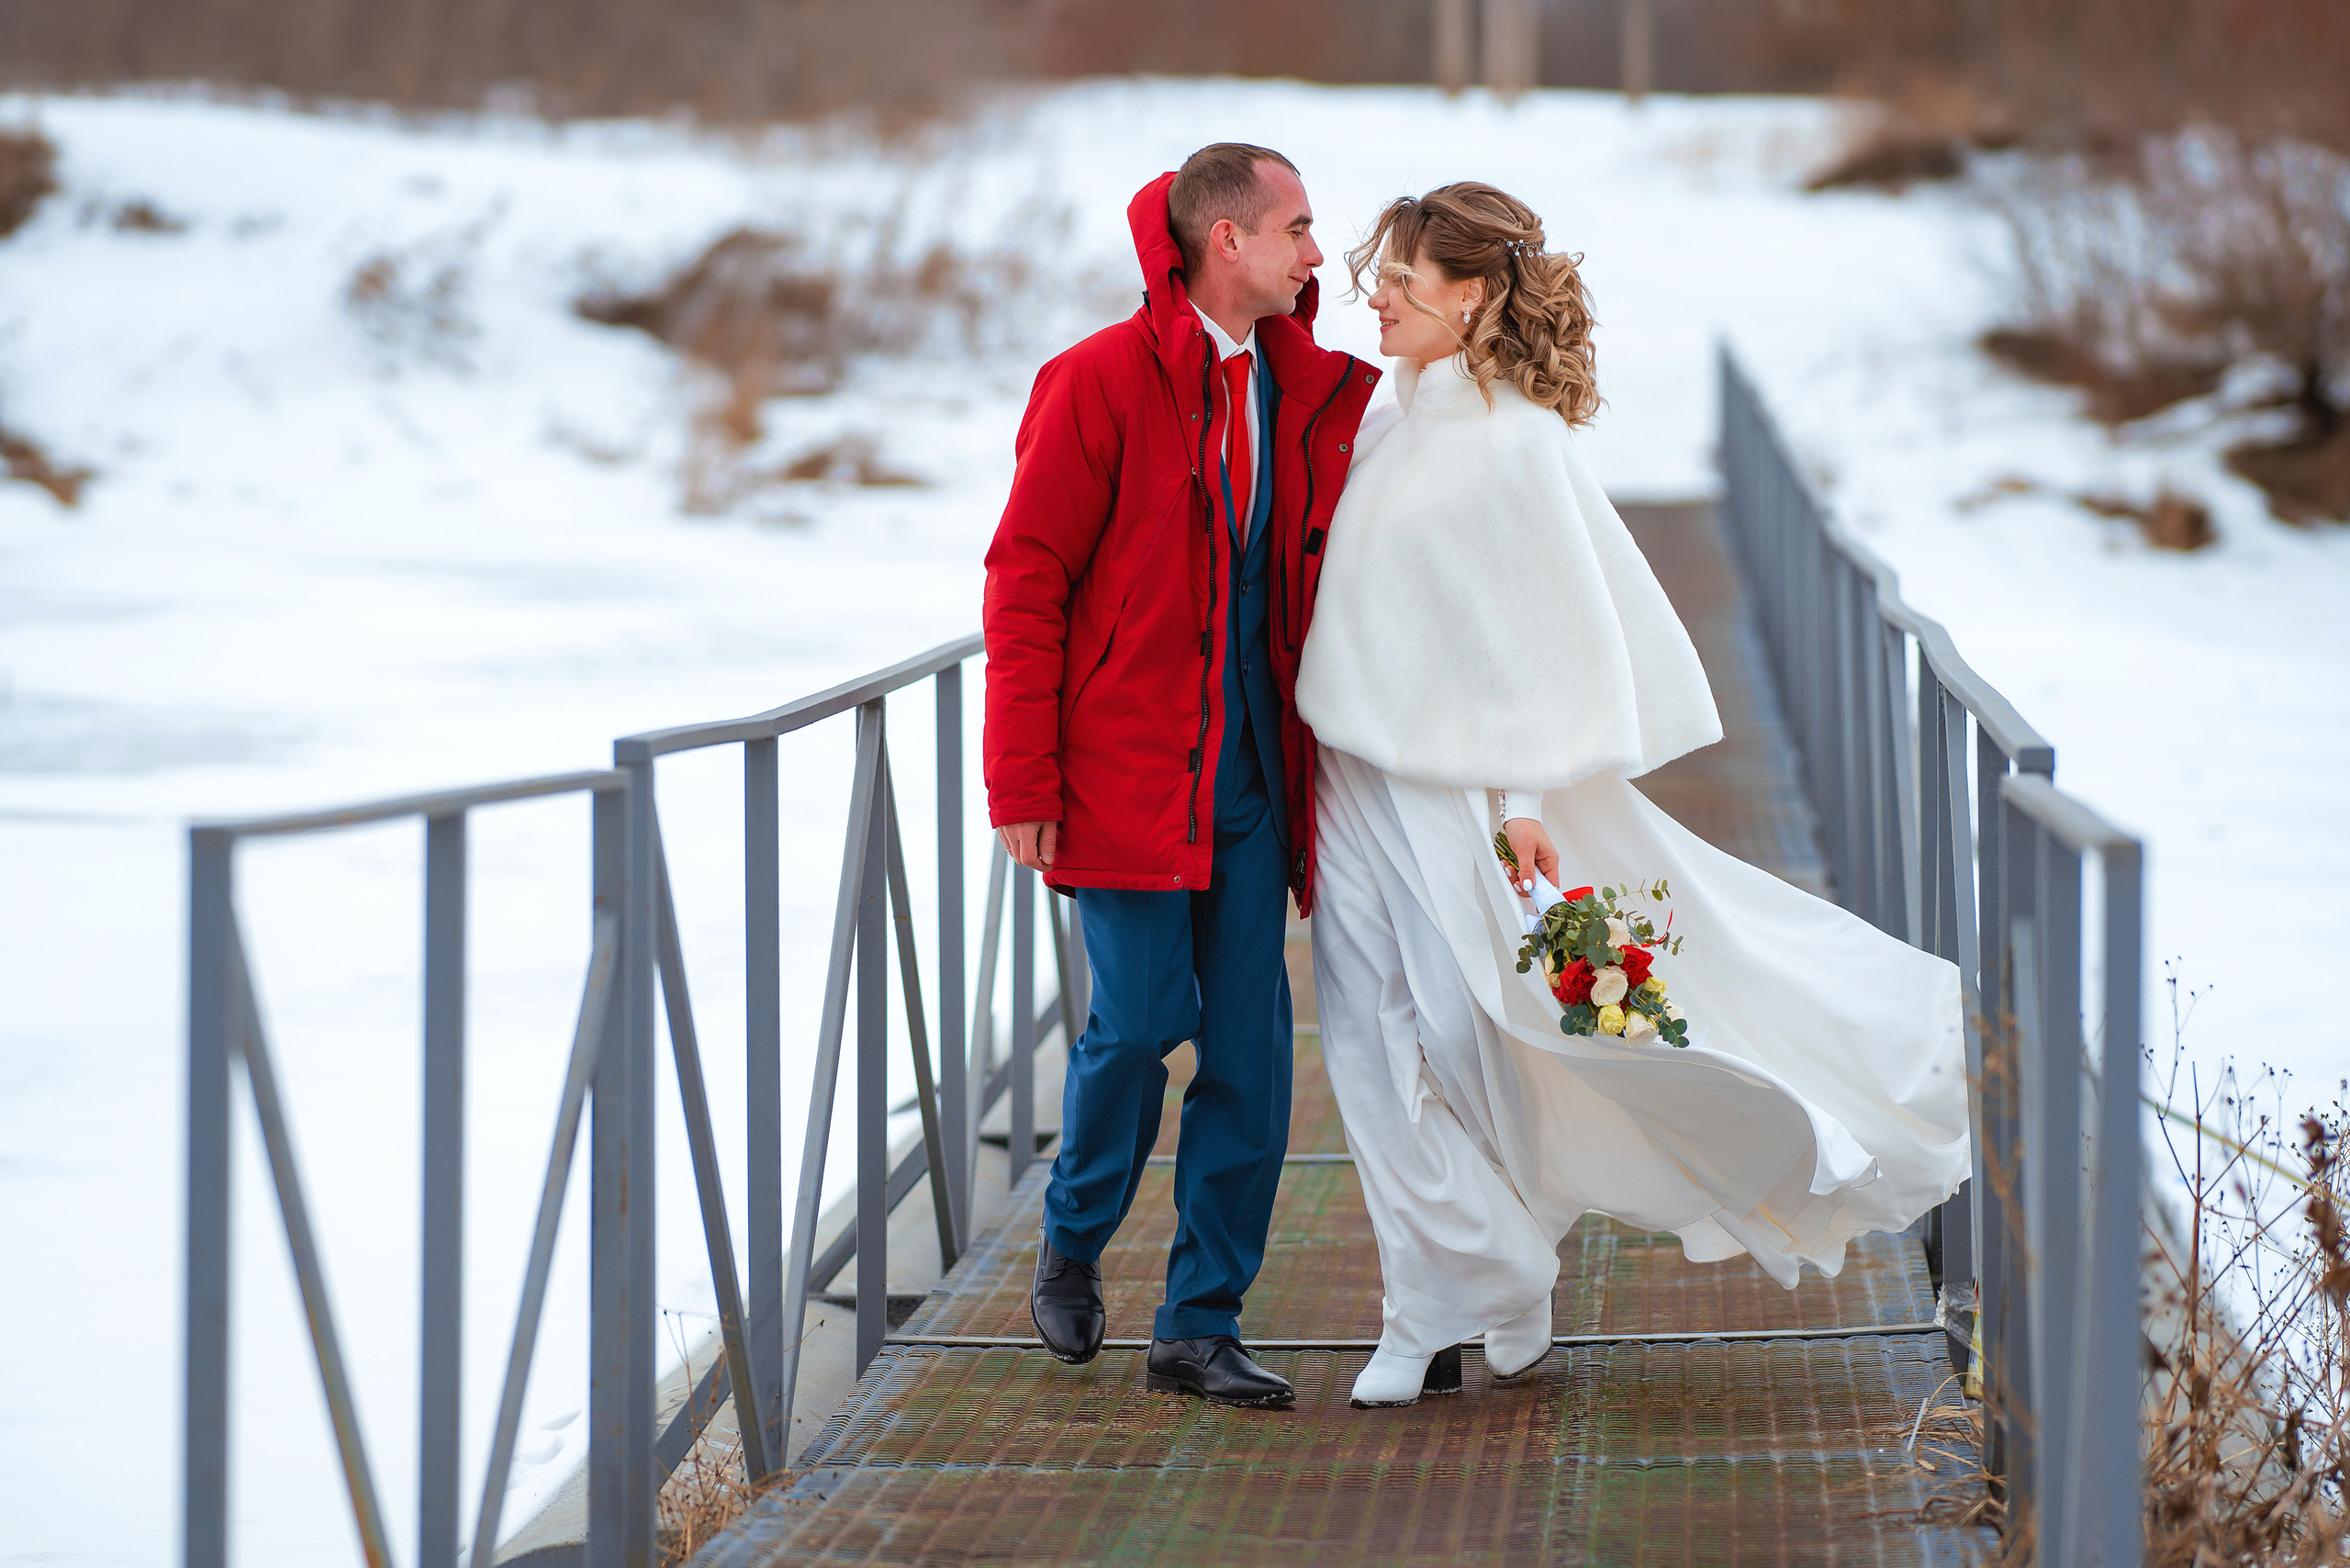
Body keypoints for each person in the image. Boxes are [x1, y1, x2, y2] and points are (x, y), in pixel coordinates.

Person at [1293, 183, 1972, 1409]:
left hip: (1467, 794)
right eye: (1376, 272)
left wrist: (1517, 801)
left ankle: (1497, 1277)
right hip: (1348, 773)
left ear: (1472, 293)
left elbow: (1544, 638)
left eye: (1402, 276)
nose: (1376, 295)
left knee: (1482, 1033)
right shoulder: (1387, 423)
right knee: (1362, 1036)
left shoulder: (1519, 443)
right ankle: (1447, 1293)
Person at [981, 144, 1376, 1406]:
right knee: (1138, 1026)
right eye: (1300, 229)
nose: (1319, 256)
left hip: (1257, 771)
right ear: (1226, 241)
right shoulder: (1096, 382)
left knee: (1253, 1051)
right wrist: (1021, 779)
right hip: (1123, 773)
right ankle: (1074, 1238)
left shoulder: (1305, 388)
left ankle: (1199, 1320)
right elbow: (1026, 581)